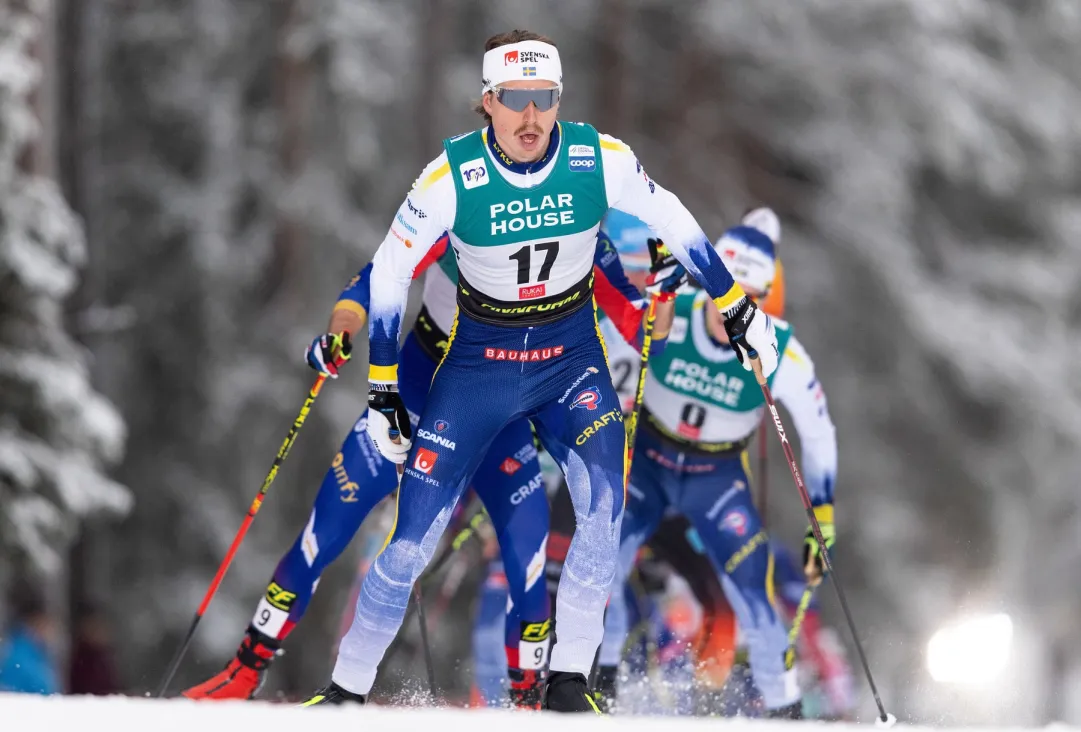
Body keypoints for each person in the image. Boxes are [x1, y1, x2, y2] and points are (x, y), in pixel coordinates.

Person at [306, 29, 776, 712]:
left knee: (601, 515)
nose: (530, 118)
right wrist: (382, 389)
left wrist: (733, 305)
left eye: (544, 99)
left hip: (567, 363)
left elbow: (673, 219)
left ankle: (567, 684)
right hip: (476, 369)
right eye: (514, 99)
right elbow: (388, 275)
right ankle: (346, 689)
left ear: (559, 99)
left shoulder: (596, 158)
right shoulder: (450, 175)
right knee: (412, 542)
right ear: (488, 102)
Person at [183, 231, 668, 707]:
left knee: (529, 556)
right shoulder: (459, 211)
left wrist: (663, 296)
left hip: (500, 416)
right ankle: (246, 670)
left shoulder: (583, 237)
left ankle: (529, 700)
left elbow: (646, 333)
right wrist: (339, 334)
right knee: (323, 531)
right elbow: (372, 282)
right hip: (416, 396)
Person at [595, 209, 837, 718]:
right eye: (725, 294)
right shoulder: (670, 309)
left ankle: (784, 707)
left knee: (753, 588)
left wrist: (823, 517)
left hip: (716, 479)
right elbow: (600, 356)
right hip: (650, 464)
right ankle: (601, 678)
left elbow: (817, 432)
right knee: (603, 565)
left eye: (749, 301)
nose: (733, 313)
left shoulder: (778, 348)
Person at [0, 584, 59, 695]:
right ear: (35, 621)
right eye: (46, 623)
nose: (51, 629)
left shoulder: (38, 654)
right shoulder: (18, 658)